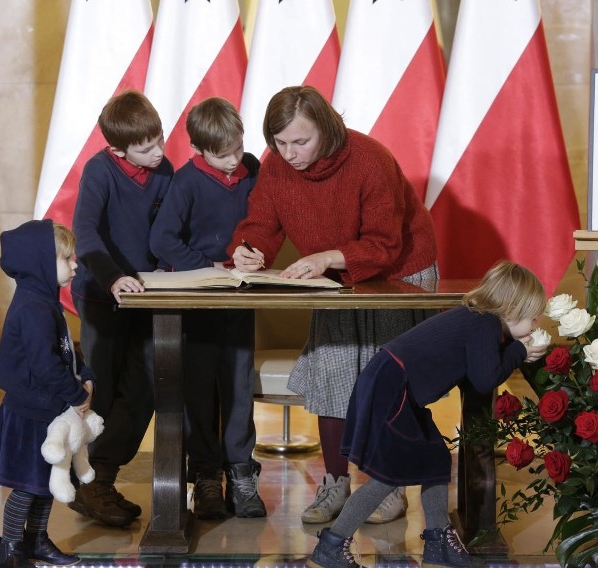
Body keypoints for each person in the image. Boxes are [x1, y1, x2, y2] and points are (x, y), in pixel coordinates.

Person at [229, 85, 438, 525]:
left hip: (399, 275)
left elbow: (384, 244)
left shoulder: (371, 159)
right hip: (334, 279)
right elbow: (260, 224)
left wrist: (326, 257)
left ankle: (389, 485)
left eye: (300, 141)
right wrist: (249, 248)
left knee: (387, 384)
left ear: (326, 128)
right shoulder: (278, 164)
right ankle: (336, 484)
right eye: (279, 143)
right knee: (332, 375)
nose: (289, 153)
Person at [308, 261, 548, 568]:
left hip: (391, 385)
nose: (535, 324)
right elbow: (485, 379)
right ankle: (332, 544)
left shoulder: (479, 320)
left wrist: (512, 349)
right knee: (387, 478)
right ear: (512, 308)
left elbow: (477, 370)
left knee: (434, 459)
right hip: (393, 390)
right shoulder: (485, 324)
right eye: (532, 317)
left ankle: (438, 542)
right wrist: (519, 352)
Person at [149, 97, 266, 519]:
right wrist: (209, 264)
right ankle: (205, 473)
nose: (235, 160)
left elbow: (265, 222)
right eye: (223, 154)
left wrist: (254, 252)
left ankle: (240, 472)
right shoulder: (186, 182)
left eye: (239, 147)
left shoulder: (252, 170)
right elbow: (162, 241)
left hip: (238, 297)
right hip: (198, 299)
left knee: (238, 386)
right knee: (199, 386)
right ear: (198, 150)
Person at [69, 89, 174, 527]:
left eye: (160, 141)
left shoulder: (164, 170)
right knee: (104, 391)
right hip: (101, 294)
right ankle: (89, 482)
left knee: (149, 383)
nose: (158, 153)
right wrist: (113, 277)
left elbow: (167, 229)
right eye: (146, 148)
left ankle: (102, 478)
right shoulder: (99, 171)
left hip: (145, 296)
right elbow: (86, 234)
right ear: (117, 149)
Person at [0, 220, 94, 568]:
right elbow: (46, 365)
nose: (75, 264)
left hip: (47, 409)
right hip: (29, 413)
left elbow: (65, 350)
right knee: (28, 485)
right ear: (40, 263)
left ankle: (35, 540)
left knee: (47, 481)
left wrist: (85, 376)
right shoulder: (33, 307)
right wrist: (77, 395)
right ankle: (11, 549)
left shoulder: (45, 300)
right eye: (67, 258)